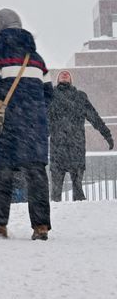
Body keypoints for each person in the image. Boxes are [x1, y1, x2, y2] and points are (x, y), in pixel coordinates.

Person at [0, 8, 54, 240]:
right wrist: (34, 112)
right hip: (35, 126)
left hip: (8, 124)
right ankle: (40, 226)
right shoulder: (37, 58)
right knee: (37, 175)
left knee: (2, 174)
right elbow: (49, 94)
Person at [48, 70, 113, 201]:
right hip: (58, 146)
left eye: (67, 74)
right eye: (62, 74)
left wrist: (107, 134)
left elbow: (94, 117)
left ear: (71, 79)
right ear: (58, 79)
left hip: (76, 146)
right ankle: (56, 216)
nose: (65, 74)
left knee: (78, 189)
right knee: (56, 191)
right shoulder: (51, 96)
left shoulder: (80, 97)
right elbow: (43, 121)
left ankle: (79, 215)